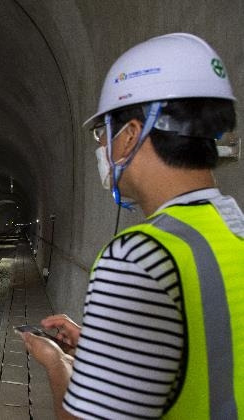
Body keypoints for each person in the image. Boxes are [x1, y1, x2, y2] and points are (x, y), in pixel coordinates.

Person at [18, 33, 243, 419]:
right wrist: (103, 350)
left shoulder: (138, 256)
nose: (102, 148)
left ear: (130, 137)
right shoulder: (233, 226)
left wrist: (58, 364)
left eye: (102, 133)